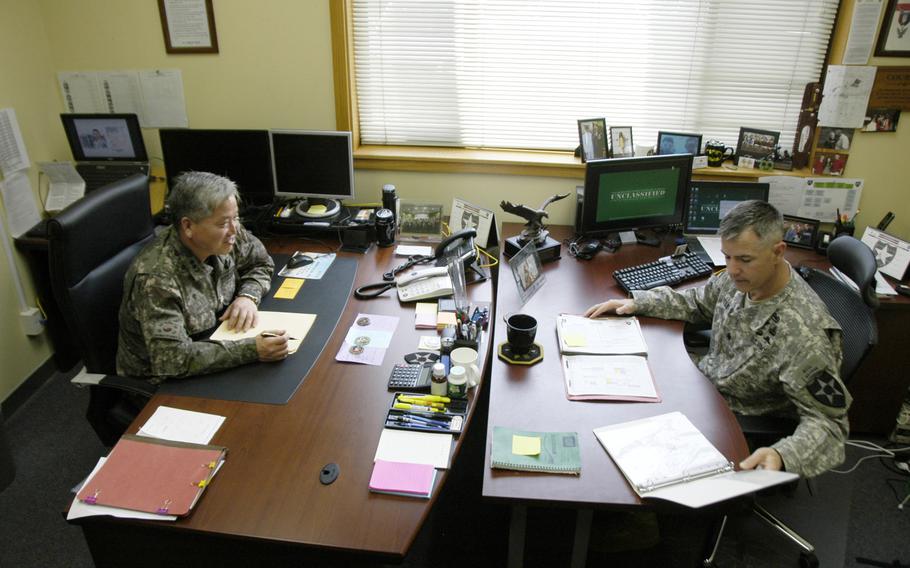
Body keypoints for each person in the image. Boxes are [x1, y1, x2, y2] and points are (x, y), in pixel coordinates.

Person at [585, 201, 850, 478]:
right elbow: (699, 302)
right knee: (614, 394)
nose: (733, 269)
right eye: (728, 257)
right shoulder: (742, 279)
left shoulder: (805, 334)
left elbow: (830, 426)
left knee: (629, 449)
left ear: (778, 252)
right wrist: (637, 302)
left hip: (736, 418)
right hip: (703, 386)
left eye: (745, 259)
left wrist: (783, 455)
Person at [117, 171, 289, 384]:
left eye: (235, 218)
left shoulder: (228, 233)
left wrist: (248, 296)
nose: (234, 229)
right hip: (163, 383)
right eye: (223, 223)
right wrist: (253, 349)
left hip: (214, 339)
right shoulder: (157, 279)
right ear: (188, 226)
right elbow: (173, 360)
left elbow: (260, 263)